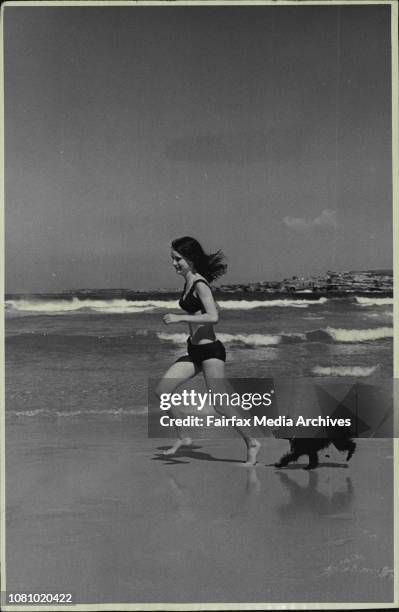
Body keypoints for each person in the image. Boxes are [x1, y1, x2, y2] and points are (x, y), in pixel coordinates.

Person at [156, 236, 260, 465]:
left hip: (211, 352)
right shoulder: (189, 281)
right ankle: (184, 436)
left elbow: (214, 317)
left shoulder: (200, 284)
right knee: (162, 391)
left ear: (190, 259)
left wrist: (178, 318)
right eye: (172, 259)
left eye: (178, 259)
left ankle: (252, 443)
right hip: (194, 350)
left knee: (221, 405)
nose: (174, 263)